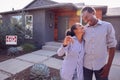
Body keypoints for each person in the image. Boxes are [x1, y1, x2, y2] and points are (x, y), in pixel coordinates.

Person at [81, 6, 117, 80]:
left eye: (86, 17)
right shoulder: (84, 29)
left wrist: (108, 67)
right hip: (86, 66)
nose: (85, 20)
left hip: (101, 66)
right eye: (83, 18)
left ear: (93, 13)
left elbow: (112, 46)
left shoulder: (107, 26)